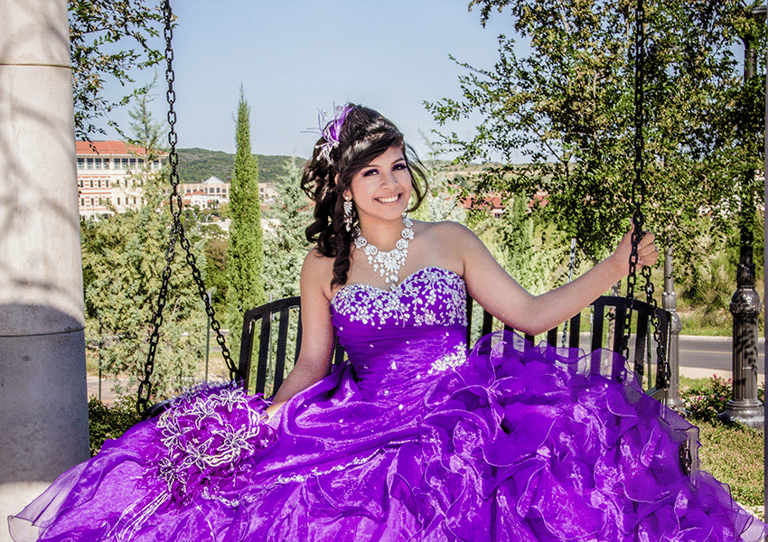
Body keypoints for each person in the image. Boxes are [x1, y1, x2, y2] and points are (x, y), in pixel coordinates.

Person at [9, 104, 767, 542]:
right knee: (282, 495)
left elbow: (532, 316)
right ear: (343, 184)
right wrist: (269, 418)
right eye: (372, 172)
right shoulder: (322, 264)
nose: (392, 184)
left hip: (461, 402)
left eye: (399, 165)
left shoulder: (452, 241)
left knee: (543, 459)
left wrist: (610, 268)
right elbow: (310, 364)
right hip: (365, 411)